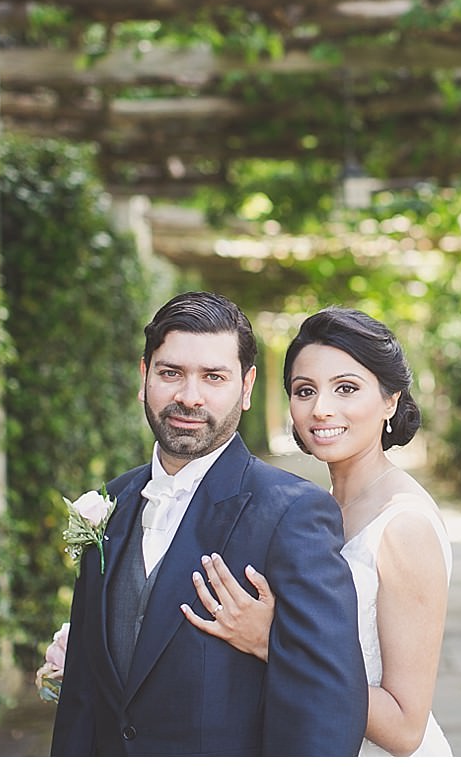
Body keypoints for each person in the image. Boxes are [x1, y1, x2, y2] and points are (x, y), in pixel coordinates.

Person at [50, 291, 367, 756]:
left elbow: (330, 704)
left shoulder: (294, 513)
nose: (188, 396)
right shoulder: (108, 503)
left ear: (246, 387)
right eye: (170, 373)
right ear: (144, 377)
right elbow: (82, 693)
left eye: (213, 377)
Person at [182, 307, 454, 757]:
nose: (320, 409)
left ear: (391, 400)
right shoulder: (315, 505)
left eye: (346, 388)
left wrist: (277, 643)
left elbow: (407, 727)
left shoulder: (404, 527)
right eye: (304, 391)